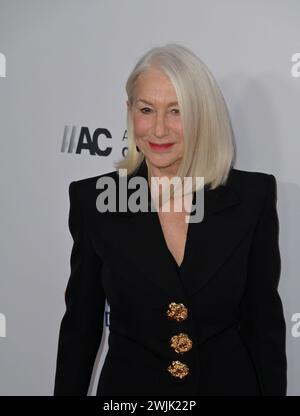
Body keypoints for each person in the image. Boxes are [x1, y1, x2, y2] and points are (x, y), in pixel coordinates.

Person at [53, 43, 287, 396]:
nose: (159, 130)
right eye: (147, 109)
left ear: (202, 115)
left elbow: (263, 327)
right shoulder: (96, 202)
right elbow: (80, 329)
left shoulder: (251, 198)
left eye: (176, 111)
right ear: (130, 111)